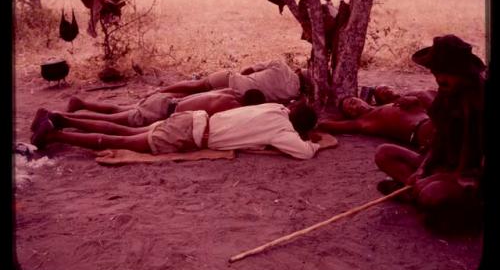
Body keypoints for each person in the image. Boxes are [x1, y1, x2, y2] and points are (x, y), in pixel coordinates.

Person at [374, 35, 485, 231]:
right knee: (384, 154)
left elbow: (474, 168)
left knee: (430, 193)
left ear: (461, 72)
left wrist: (439, 179)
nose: (437, 77)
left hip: (471, 178)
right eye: (435, 71)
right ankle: (422, 196)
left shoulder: (480, 100)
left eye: (444, 72)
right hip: (444, 166)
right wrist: (422, 171)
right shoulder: (446, 93)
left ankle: (427, 199)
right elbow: (439, 140)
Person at [30, 101, 325, 160]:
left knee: (121, 127)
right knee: (121, 139)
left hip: (193, 118)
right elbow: (304, 154)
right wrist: (313, 143)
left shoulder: (275, 108)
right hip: (191, 134)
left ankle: (61, 117)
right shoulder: (283, 133)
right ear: (300, 128)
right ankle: (54, 134)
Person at [50, 88, 266, 127]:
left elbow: (197, 95)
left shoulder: (229, 92)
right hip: (163, 112)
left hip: (167, 100)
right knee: (116, 121)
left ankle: (81, 104)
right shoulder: (230, 106)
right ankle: (63, 118)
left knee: (118, 109)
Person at [146, 59, 307, 104]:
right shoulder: (293, 94)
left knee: (195, 85)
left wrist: (239, 76)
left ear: (298, 70)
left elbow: (249, 69)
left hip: (233, 80)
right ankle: (161, 102)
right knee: (189, 100)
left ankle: (158, 93)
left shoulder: (281, 65)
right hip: (239, 99)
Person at [316, 94, 435, 151]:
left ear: (360, 98)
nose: (355, 107)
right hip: (421, 131)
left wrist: (414, 101)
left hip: (431, 121)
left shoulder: (383, 105)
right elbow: (325, 124)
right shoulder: (363, 121)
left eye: (353, 102)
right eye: (350, 111)